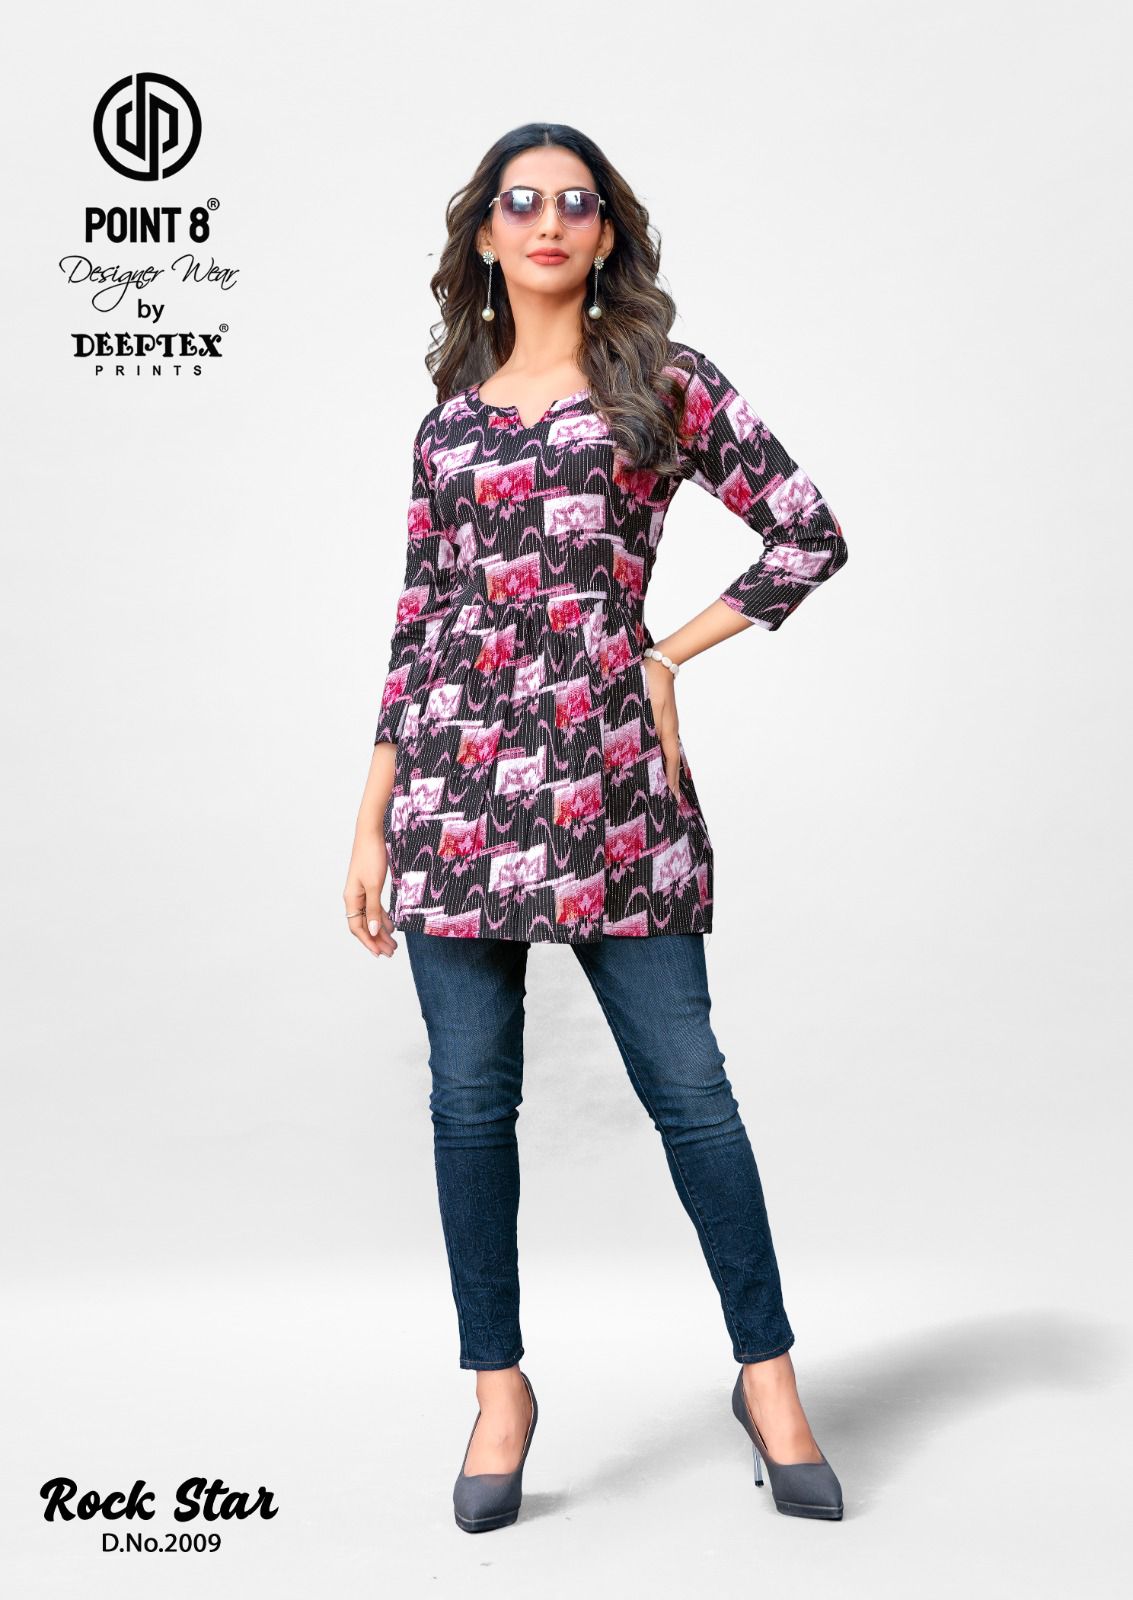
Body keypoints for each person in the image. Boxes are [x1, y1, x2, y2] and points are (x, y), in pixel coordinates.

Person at [344, 123, 849, 1530]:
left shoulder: (661, 383)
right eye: (521, 202)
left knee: (692, 1095)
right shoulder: (448, 423)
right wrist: (371, 819)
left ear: (607, 233)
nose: (549, 221)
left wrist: (667, 653)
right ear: (486, 236)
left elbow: (806, 530)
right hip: (451, 796)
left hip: (613, 789)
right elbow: (418, 623)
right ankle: (498, 1389)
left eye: (576, 202)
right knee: (468, 1104)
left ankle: (769, 1382)